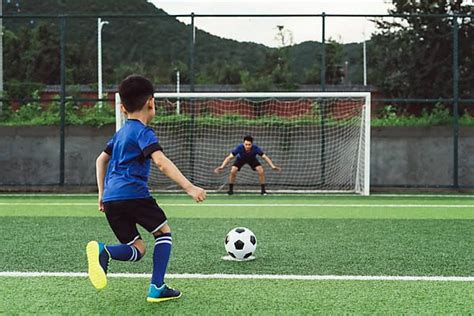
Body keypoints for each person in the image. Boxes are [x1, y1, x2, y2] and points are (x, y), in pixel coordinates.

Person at [88, 75, 206, 303]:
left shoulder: (120, 134)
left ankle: (106, 252)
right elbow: (161, 162)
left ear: (122, 108)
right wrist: (190, 187)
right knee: (163, 233)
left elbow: (100, 160)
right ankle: (157, 287)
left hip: (112, 199)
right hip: (134, 195)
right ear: (151, 102)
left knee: (137, 248)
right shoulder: (143, 132)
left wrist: (102, 193)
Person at [214, 135, 281, 195]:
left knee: (261, 170)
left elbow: (265, 157)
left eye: (249, 144)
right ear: (244, 143)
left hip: (252, 159)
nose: (247, 146)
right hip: (240, 159)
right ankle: (230, 190)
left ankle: (263, 191)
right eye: (246, 144)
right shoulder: (239, 148)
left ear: (252, 144)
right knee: (233, 171)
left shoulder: (255, 148)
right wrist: (222, 166)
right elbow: (229, 157)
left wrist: (273, 166)